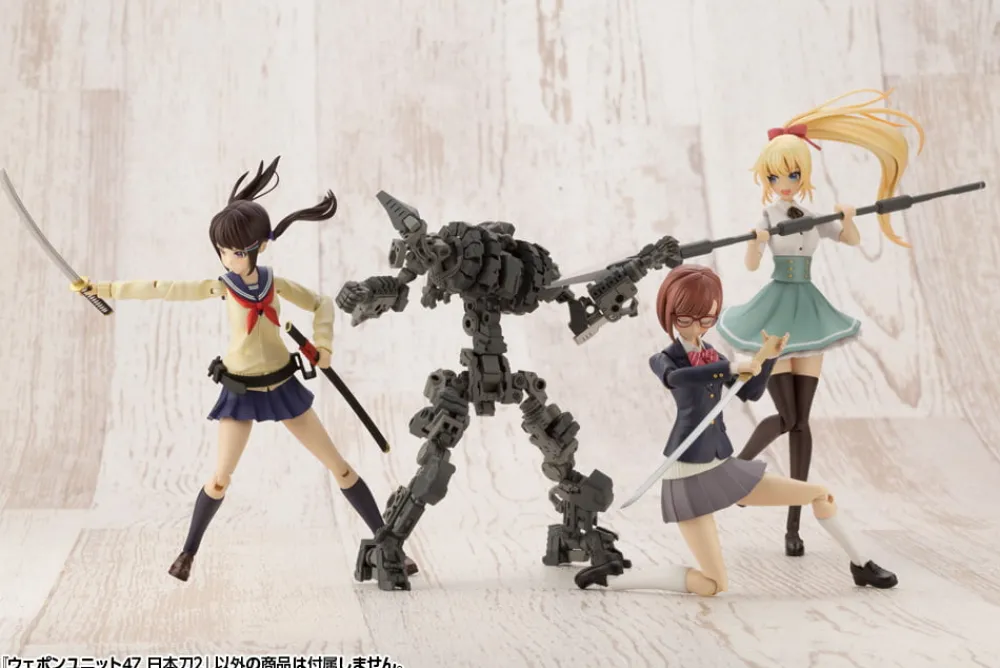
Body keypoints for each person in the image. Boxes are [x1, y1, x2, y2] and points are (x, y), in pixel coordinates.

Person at [83, 157, 417, 581]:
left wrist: (324, 346)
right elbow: (164, 289)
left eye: (237, 251)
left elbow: (321, 303)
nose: (228, 258)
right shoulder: (222, 287)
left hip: (283, 386)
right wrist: (102, 288)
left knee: (340, 466)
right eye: (223, 251)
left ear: (260, 247)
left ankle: (388, 544)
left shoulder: (275, 283)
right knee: (220, 479)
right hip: (240, 392)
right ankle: (187, 553)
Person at [716, 89, 925, 556]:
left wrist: (848, 217)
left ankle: (793, 526)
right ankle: (738, 469)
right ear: (767, 178)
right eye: (776, 176)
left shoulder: (812, 216)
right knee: (788, 416)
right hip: (776, 313)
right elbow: (751, 264)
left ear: (804, 174)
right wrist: (756, 240)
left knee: (801, 423)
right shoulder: (769, 215)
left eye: (793, 174)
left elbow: (849, 239)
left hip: (808, 311)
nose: (785, 183)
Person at [611, 264, 897, 596]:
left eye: (706, 318)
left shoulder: (713, 355)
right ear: (669, 313)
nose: (697, 326)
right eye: (685, 318)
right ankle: (614, 578)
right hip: (687, 474)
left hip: (722, 466)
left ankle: (861, 565)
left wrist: (768, 357)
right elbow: (676, 379)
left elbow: (751, 392)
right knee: (713, 585)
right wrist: (730, 367)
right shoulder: (665, 359)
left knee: (820, 493)